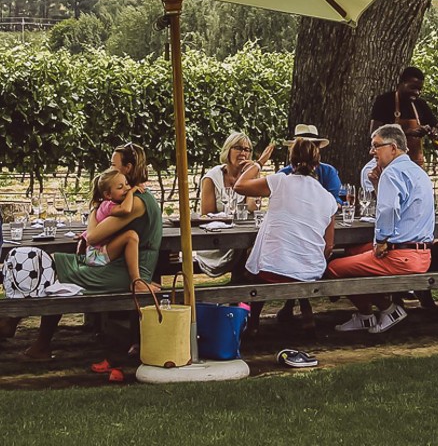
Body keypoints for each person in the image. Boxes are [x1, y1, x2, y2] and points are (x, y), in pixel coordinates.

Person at [17, 143, 163, 360]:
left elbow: (93, 236)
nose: (109, 168)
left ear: (128, 168)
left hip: (130, 272)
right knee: (56, 261)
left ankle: (31, 336)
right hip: (118, 262)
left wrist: (94, 211)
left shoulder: (136, 203)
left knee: (61, 274)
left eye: (113, 165)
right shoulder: (131, 197)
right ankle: (26, 332)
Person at [330, 124, 437, 335]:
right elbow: (399, 206)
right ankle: (371, 313)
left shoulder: (392, 172)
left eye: (376, 146)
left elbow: (388, 209)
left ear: (393, 148)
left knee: (334, 267)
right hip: (421, 253)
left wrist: (381, 240)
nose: (372, 152)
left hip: (400, 256)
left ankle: (385, 311)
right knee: (352, 252)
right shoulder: (418, 171)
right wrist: (378, 184)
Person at [234, 136, 338, 333]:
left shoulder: (280, 181)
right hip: (310, 271)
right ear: (317, 163)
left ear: (291, 161)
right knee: (292, 262)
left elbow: (240, 186)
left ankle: (252, 321)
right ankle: (305, 313)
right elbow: (329, 246)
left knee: (255, 266)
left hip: (272, 270)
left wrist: (259, 163)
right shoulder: (328, 199)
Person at [196, 131, 274, 278]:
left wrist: (254, 173)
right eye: (238, 148)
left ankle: (242, 286)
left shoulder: (249, 177)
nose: (243, 153)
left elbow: (252, 207)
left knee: (256, 248)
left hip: (242, 238)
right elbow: (206, 214)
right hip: (217, 241)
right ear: (228, 150)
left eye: (247, 149)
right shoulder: (211, 178)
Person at [80, 168, 151, 289]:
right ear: (108, 195)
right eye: (120, 187)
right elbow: (126, 209)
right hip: (96, 256)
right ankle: (136, 281)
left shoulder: (108, 204)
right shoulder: (108, 205)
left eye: (127, 184)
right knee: (131, 236)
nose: (126, 188)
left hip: (98, 252)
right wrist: (131, 192)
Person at [370, 67, 438, 166]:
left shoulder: (420, 104)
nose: (417, 92)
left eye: (419, 89)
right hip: (390, 163)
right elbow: (374, 133)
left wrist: (435, 134)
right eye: (413, 88)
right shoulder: (384, 101)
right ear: (401, 83)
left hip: (415, 164)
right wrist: (408, 132)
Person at [280, 124, 344, 201]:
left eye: (311, 147)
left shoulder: (328, 172)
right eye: (302, 147)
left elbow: (337, 197)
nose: (306, 151)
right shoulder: (283, 174)